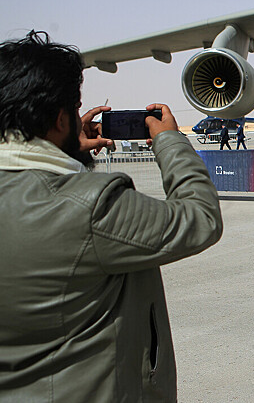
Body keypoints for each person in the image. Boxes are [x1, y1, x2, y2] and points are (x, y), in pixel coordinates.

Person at [0, 31, 222, 402]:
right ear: (59, 120)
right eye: (73, 111)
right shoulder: (93, 207)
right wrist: (170, 141)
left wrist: (71, 154)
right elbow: (200, 219)